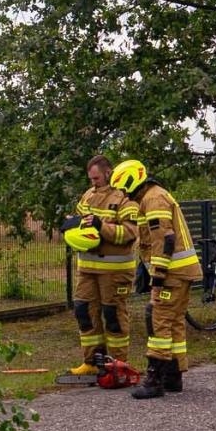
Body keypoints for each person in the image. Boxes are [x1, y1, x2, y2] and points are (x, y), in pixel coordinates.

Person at [109, 158, 202, 399]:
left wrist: (158, 277)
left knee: (158, 319)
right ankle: (173, 376)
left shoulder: (153, 199)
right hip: (181, 272)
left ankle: (154, 380)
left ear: (130, 181)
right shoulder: (154, 196)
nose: (122, 193)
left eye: (122, 188)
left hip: (171, 273)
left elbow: (164, 240)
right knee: (174, 322)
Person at [63, 154, 140, 375]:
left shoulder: (124, 198)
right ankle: (91, 362)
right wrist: (71, 226)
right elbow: (81, 222)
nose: (93, 183)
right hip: (87, 267)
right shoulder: (87, 196)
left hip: (115, 271)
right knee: (84, 312)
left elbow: (129, 233)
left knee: (113, 315)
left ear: (108, 173)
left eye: (96, 178)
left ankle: (117, 365)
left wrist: (101, 226)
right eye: (91, 179)